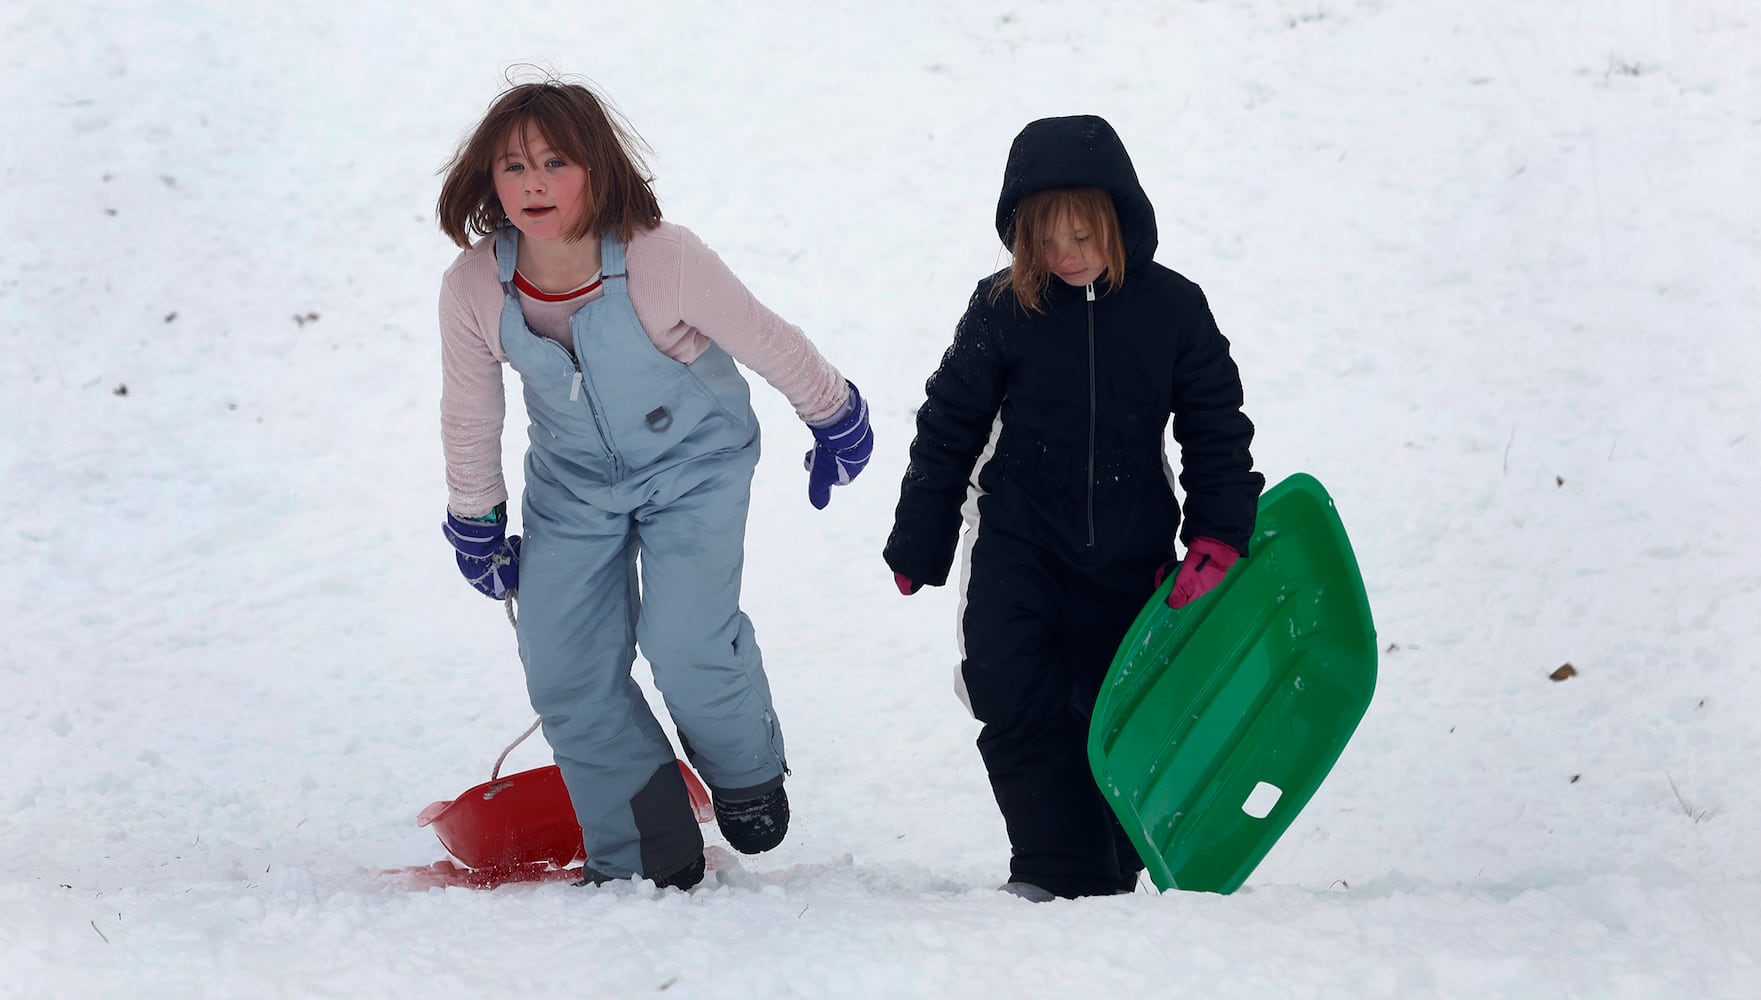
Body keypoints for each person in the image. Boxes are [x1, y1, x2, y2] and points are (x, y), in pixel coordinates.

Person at [435, 79, 873, 892]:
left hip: (693, 470)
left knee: (685, 637)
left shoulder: (658, 259)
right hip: (571, 489)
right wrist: (477, 516)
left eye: (554, 162)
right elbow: (470, 411)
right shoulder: (474, 288)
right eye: (513, 165)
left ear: (596, 170)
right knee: (562, 667)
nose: (532, 182)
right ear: (488, 180)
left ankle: (743, 772)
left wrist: (833, 411)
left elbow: (764, 336)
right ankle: (645, 844)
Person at [883, 115, 1263, 901]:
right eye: (1045, 240)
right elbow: (948, 422)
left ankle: (1109, 865)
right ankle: (1050, 870)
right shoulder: (1000, 308)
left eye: (1083, 237)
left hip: (1131, 552)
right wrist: (920, 537)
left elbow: (1214, 426)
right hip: (1020, 541)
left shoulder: (1173, 308)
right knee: (1009, 687)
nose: (1065, 256)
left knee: (1115, 710)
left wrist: (1219, 533)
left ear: (1120, 224)